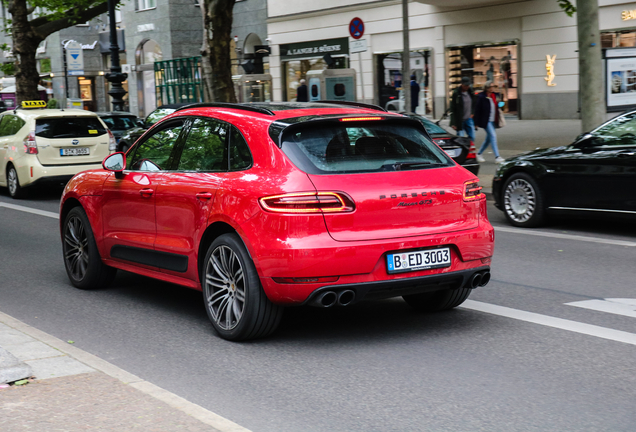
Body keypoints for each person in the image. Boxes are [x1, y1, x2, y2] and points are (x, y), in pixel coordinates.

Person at [474, 81, 504, 163]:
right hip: (486, 121)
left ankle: (479, 153)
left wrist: (501, 104)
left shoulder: (495, 95)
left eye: (493, 86)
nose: (492, 88)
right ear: (487, 88)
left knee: (488, 139)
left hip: (494, 120)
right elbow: (477, 110)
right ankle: (497, 156)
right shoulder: (481, 97)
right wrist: (476, 123)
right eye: (491, 87)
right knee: (493, 136)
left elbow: (499, 105)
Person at [449, 76, 476, 142]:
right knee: (460, 138)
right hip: (460, 120)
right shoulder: (456, 93)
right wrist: (453, 123)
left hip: (469, 119)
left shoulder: (471, 92)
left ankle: (468, 150)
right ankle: (462, 151)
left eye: (468, 85)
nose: (467, 87)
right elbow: (453, 108)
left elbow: (474, 104)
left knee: (472, 136)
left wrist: (472, 112)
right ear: (462, 84)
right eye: (465, 85)